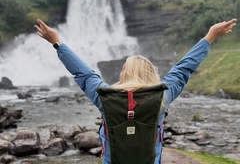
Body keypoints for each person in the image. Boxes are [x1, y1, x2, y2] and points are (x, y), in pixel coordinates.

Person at [34, 18, 237, 164]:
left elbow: (84, 74)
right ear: (151, 75)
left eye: (124, 69)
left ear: (125, 74)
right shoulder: (162, 97)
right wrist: (209, 37)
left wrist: (57, 42)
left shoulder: (105, 96)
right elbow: (183, 68)